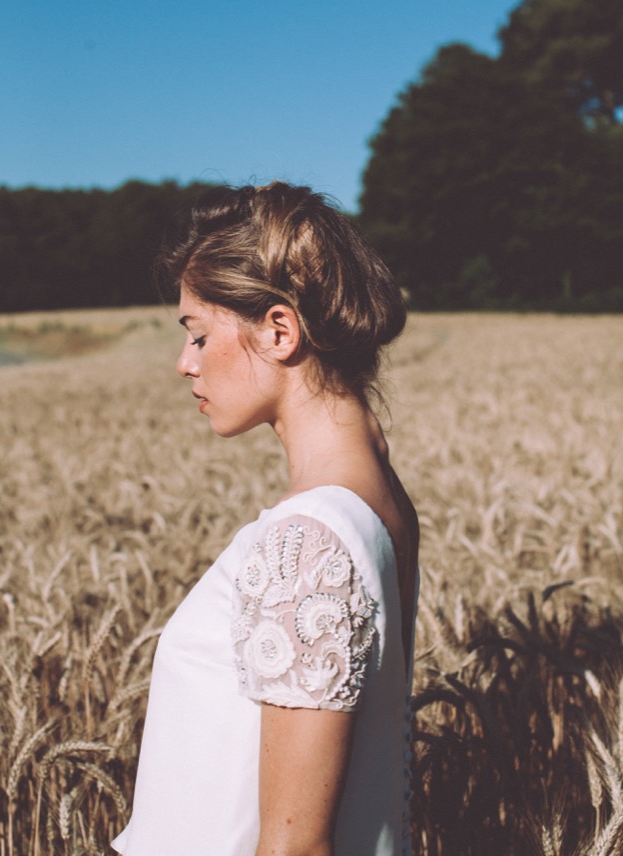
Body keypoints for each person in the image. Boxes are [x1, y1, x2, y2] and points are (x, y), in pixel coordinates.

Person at [112, 182, 420, 856]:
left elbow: (294, 848)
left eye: (197, 335)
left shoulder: (306, 543)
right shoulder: (377, 497)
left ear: (278, 330)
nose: (184, 363)